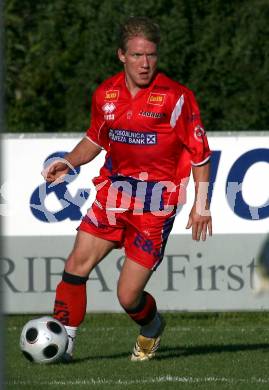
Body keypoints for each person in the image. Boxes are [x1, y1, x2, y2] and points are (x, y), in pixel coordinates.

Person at [43, 16, 212, 362]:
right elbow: (95, 139)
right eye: (137, 55)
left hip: (155, 202)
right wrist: (70, 162)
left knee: (127, 296)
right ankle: (64, 345)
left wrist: (201, 204)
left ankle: (151, 328)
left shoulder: (175, 97)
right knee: (77, 263)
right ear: (122, 55)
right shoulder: (105, 94)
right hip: (114, 194)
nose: (145, 63)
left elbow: (200, 155)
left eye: (151, 55)